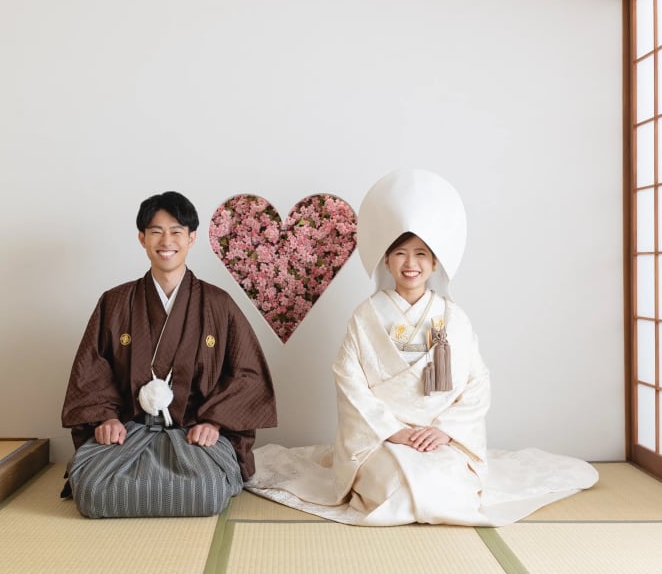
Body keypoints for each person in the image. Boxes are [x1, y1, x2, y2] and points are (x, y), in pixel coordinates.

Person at [246, 170, 598, 526]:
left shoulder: (454, 318)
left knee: (449, 486)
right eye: (400, 253)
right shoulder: (366, 316)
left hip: (440, 437)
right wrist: (392, 430)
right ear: (387, 261)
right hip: (383, 439)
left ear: (434, 263)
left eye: (421, 254)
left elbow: (477, 382)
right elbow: (348, 379)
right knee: (394, 488)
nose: (410, 264)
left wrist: (445, 429)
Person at [61, 191, 277, 518]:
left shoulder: (218, 304)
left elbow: (248, 374)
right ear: (142, 239)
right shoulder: (115, 302)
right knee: (91, 489)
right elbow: (92, 369)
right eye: (156, 232)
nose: (166, 241)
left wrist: (215, 422)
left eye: (176, 231)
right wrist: (106, 418)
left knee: (208, 490)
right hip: (128, 430)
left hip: (194, 431)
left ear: (191, 238)